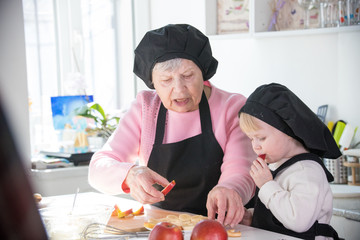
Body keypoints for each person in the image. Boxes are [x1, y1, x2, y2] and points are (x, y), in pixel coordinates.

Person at [88, 24, 255, 227]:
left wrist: (229, 190)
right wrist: (130, 174)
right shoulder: (145, 108)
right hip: (162, 227)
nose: (179, 90)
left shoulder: (232, 107)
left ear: (203, 73)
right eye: (166, 80)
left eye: (188, 76)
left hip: (221, 226)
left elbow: (241, 171)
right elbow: (97, 168)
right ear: (153, 83)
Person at [238, 83, 341, 240]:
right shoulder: (279, 166)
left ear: (287, 129)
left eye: (261, 138)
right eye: (251, 139)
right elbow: (278, 213)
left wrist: (266, 185)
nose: (255, 146)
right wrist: (252, 216)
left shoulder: (307, 171)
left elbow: (298, 220)